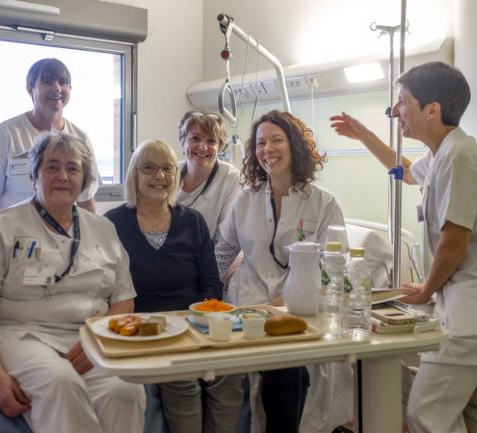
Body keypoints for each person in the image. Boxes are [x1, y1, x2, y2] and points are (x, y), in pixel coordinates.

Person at [330, 61, 477, 433]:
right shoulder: (443, 153)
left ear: (432, 109)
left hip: (475, 314)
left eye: (403, 101)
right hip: (460, 306)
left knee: (426, 416)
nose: (395, 110)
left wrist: (425, 290)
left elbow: (454, 242)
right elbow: (403, 171)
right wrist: (363, 134)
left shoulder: (459, 157)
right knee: (412, 395)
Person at [0, 132, 144, 433]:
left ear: (84, 179)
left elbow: (123, 298)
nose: (63, 176)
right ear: (34, 174)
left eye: (73, 168)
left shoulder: (103, 229)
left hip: (87, 338)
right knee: (61, 383)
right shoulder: (0, 229)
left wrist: (98, 337)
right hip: (16, 335)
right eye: (52, 167)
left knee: (126, 391)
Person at [215, 110, 345, 433]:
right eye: (261, 143)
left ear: (295, 146)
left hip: (298, 313)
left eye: (276, 140)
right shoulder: (245, 202)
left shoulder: (323, 205)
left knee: (286, 371)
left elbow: (335, 268)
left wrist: (286, 302)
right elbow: (223, 252)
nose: (267, 149)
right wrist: (205, 296)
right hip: (246, 309)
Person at [106, 139, 242, 433]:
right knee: (181, 378)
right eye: (149, 168)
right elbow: (106, 291)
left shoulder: (192, 222)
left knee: (229, 375)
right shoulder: (113, 224)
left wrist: (206, 324)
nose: (160, 176)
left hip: (192, 322)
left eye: (168, 169)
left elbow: (210, 283)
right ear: (134, 175)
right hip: (146, 327)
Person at [0, 58, 100, 223]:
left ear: (70, 89)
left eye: (63, 82)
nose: (57, 88)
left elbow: (86, 201)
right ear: (30, 88)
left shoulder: (81, 138)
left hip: (63, 239)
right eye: (47, 82)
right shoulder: (7, 133)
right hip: (13, 237)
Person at [176, 110, 242, 241]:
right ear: (183, 142)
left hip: (205, 257)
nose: (203, 147)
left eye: (211, 141)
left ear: (220, 147)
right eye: (195, 138)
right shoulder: (169, 171)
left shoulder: (231, 178)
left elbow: (226, 237)